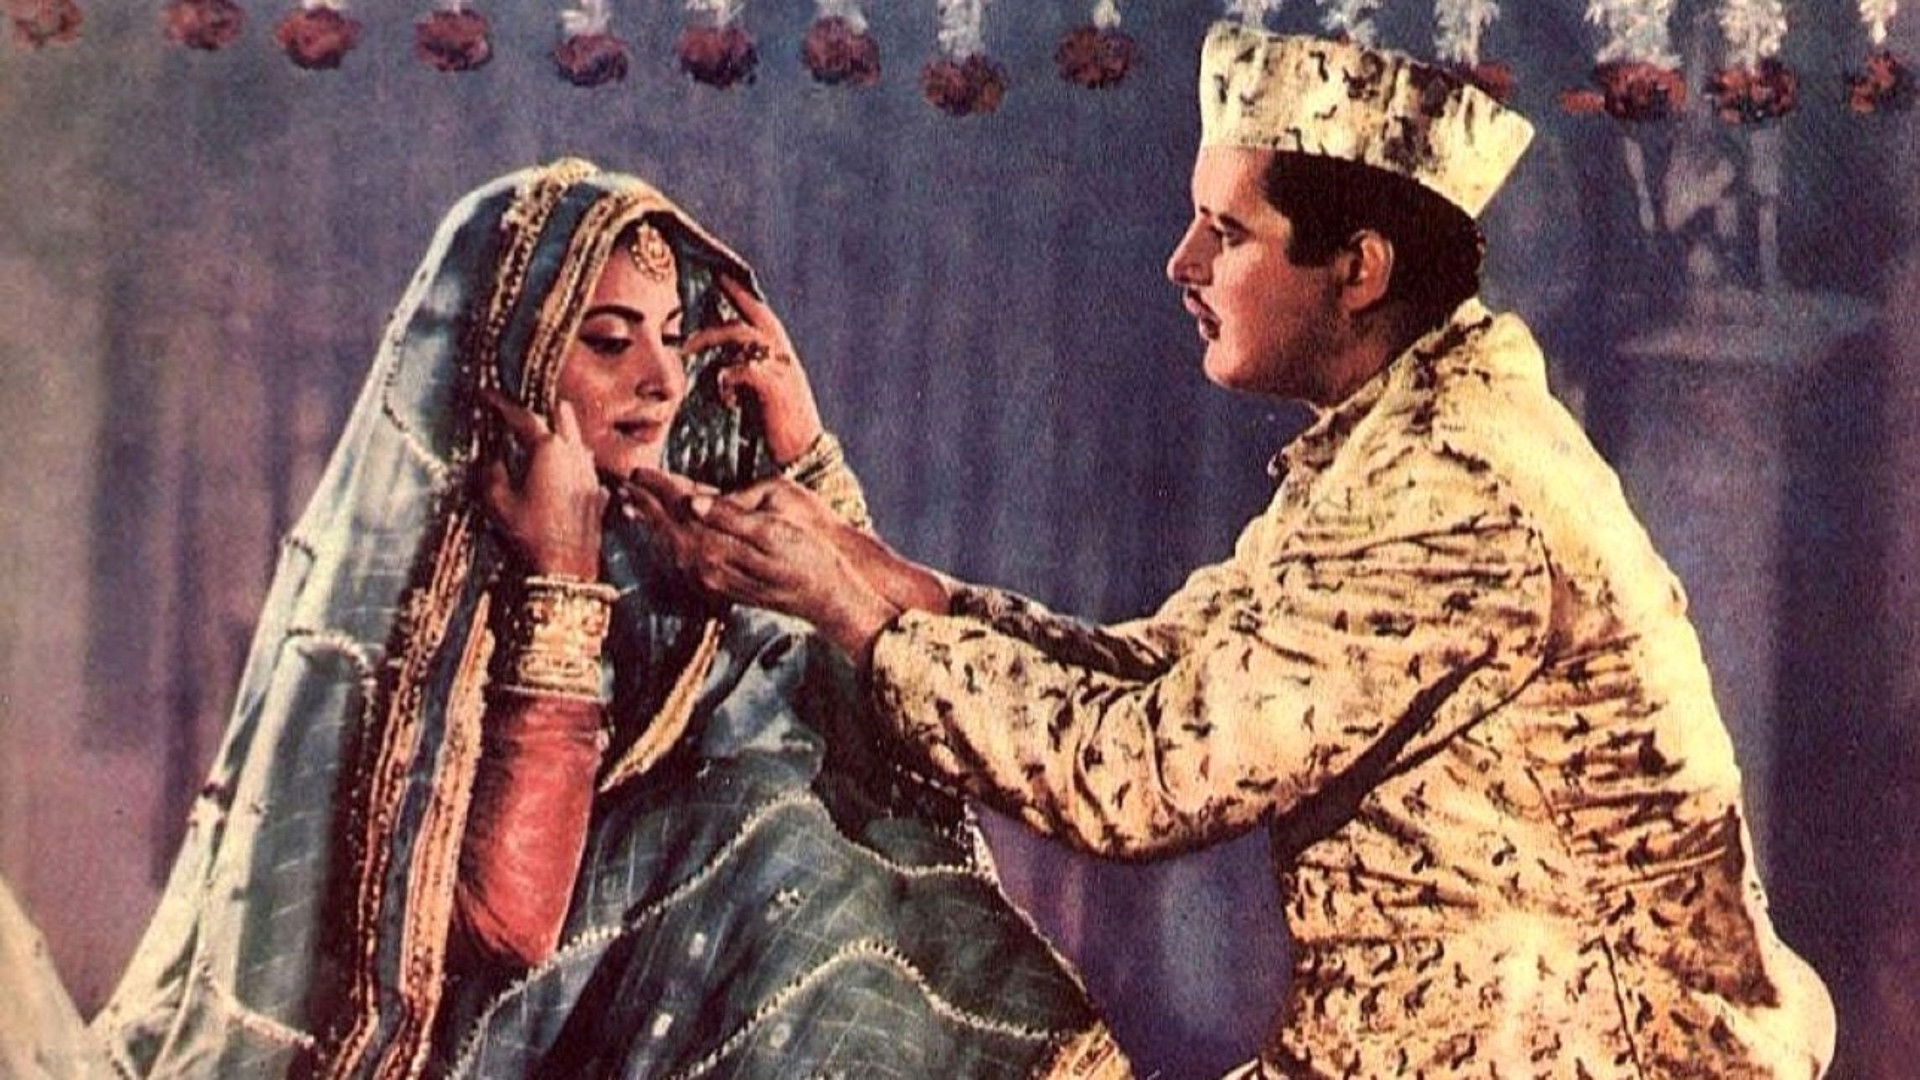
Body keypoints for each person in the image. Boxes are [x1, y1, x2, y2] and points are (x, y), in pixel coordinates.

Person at [627, 24, 1838, 1079]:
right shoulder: (1400, 433)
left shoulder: (1454, 485)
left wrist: (856, 610)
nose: (1183, 266)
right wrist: (854, 554)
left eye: (1228, 233)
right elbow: (1159, 669)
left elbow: (1141, 775)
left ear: (1357, 269)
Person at [7, 160, 1126, 1079]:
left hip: (647, 1034)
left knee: (794, 823)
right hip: (488, 1048)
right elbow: (505, 926)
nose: (662, 381)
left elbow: (878, 736)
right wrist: (557, 581)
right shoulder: (442, 597)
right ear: (514, 357)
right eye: (608, 340)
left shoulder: (673, 547)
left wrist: (806, 463)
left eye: (675, 336)